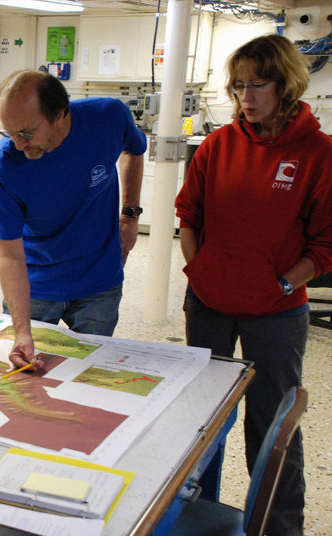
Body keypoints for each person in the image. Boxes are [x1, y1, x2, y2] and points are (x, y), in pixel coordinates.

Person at [175, 34, 332, 536]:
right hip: (210, 306)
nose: (245, 95)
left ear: (284, 85)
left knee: (272, 427)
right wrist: (200, 272)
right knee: (203, 424)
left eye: (256, 84)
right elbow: (188, 215)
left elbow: (326, 243)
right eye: (238, 85)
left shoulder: (319, 153)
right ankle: (196, 516)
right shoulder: (219, 144)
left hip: (277, 314)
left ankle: (279, 528)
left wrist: (284, 286)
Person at [0, 69, 146, 370]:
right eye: (9, 133)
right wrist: (21, 332)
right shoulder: (0, 168)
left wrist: (129, 215)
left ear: (59, 114)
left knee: (89, 379)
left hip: (99, 281)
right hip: (36, 284)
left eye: (26, 133)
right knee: (27, 380)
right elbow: (11, 256)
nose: (17, 144)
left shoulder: (108, 118)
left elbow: (135, 152)